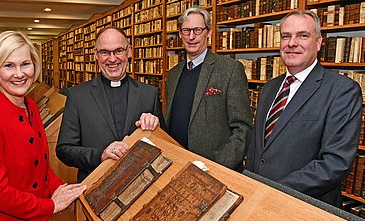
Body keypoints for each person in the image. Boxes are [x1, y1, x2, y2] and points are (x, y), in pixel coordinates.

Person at [0, 31, 86, 221]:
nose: (19, 74)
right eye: (9, 65)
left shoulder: (30, 106)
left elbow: (39, 166)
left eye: (25, 64)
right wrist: (50, 206)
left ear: (35, 66)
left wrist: (62, 190)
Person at [246, 10, 363, 207]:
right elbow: (256, 150)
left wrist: (273, 191)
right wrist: (249, 187)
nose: (292, 43)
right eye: (286, 36)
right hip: (258, 201)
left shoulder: (342, 91)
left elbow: (335, 163)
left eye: (302, 35)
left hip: (305, 207)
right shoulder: (269, 87)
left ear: (318, 43)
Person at [56, 26, 165, 182]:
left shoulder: (149, 94)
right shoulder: (77, 96)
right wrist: (100, 155)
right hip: (95, 184)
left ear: (129, 51)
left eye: (118, 51)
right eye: (105, 52)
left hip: (140, 184)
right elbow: (64, 150)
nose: (112, 59)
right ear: (96, 55)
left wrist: (156, 127)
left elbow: (164, 144)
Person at [165, 7, 252, 171]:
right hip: (176, 165)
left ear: (209, 32)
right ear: (180, 34)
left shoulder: (230, 69)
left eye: (197, 30)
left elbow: (243, 128)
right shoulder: (173, 74)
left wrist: (219, 166)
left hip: (214, 169)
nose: (191, 37)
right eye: (186, 31)